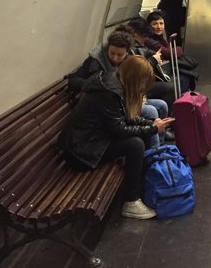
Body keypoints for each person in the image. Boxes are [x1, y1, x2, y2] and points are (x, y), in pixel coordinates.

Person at [58, 55, 175, 220]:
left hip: (92, 140)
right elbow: (120, 130)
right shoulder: (109, 93)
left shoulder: (115, 83)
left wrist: (150, 123)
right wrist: (152, 128)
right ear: (134, 78)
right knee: (135, 144)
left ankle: (146, 181)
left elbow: (125, 117)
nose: (142, 86)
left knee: (141, 136)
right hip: (80, 151)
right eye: (142, 82)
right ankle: (131, 201)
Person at [67, 30, 170, 146]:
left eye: (120, 55)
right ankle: (155, 152)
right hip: (114, 102)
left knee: (162, 104)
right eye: (112, 53)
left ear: (127, 52)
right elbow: (74, 80)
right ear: (107, 49)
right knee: (151, 111)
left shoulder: (129, 60)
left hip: (126, 98)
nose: (115, 58)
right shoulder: (95, 61)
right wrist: (94, 85)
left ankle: (159, 146)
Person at [142, 12, 196, 92]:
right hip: (157, 73)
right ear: (149, 26)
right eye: (155, 24)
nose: (159, 27)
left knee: (186, 75)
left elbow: (170, 51)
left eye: (161, 23)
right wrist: (179, 48)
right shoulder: (149, 40)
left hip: (164, 68)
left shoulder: (160, 38)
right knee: (184, 76)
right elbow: (169, 53)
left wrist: (174, 50)